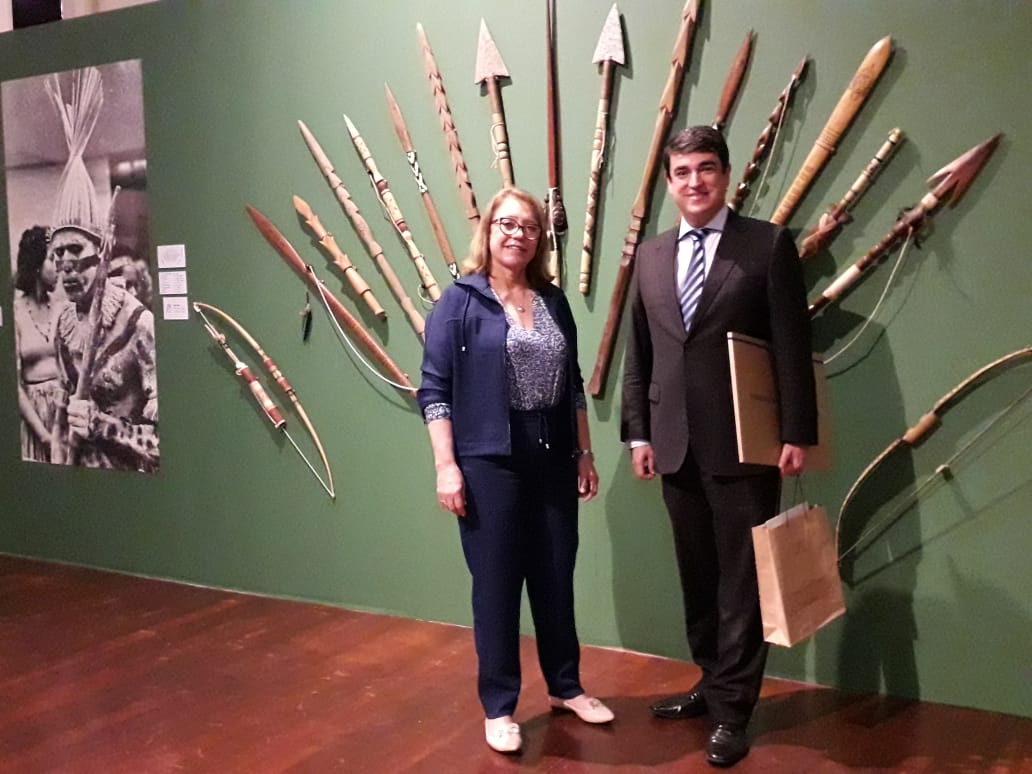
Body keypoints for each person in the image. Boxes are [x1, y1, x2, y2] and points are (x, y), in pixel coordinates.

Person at [620, 127, 817, 767]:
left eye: (706, 168)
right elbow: (639, 353)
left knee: (742, 581)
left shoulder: (766, 245)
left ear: (726, 175)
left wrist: (796, 431)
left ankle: (734, 711)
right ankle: (711, 680)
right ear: (668, 182)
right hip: (673, 445)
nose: (695, 181)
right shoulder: (651, 256)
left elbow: (792, 344)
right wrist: (638, 432)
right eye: (682, 171)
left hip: (746, 445)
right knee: (698, 576)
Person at [419, 187, 613, 754]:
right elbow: (434, 390)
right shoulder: (459, 302)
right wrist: (446, 467)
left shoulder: (553, 301)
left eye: (528, 227)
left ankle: (566, 686)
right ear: (489, 231)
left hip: (553, 456)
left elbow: (573, 385)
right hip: (487, 462)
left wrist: (584, 453)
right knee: (497, 584)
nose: (517, 235)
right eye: (507, 224)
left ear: (539, 240)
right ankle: (500, 706)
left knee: (555, 575)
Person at [50, 224, 159, 472]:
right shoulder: (64, 324)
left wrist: (101, 425)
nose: (67, 265)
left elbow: (162, 443)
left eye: (75, 249)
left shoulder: (139, 324)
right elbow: (61, 417)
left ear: (102, 252)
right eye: (59, 253)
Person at [14, 225, 66, 462]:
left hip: (64, 414)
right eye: (52, 259)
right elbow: (14, 385)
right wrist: (44, 437)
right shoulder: (15, 313)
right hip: (34, 418)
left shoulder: (63, 310)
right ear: (36, 265)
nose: (59, 266)